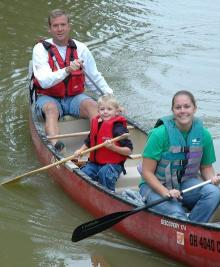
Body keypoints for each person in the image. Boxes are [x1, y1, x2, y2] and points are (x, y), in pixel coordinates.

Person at [32, 9, 113, 151]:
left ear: (69, 26)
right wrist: (67, 70)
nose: (60, 29)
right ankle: (56, 146)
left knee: (93, 105)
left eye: (63, 25)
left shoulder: (81, 49)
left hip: (74, 98)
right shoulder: (40, 50)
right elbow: (44, 81)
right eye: (55, 26)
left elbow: (94, 77)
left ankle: (99, 141)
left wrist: (110, 99)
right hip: (48, 98)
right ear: (50, 29)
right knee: (51, 110)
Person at [139, 90, 220, 223]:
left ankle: (194, 226)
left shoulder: (204, 135)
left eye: (187, 106)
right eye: (178, 107)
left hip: (185, 183)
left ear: (194, 108)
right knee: (176, 212)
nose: (183, 111)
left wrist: (213, 179)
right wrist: (165, 192)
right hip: (156, 186)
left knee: (214, 193)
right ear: (173, 110)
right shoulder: (159, 134)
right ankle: (183, 223)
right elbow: (147, 172)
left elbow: (206, 168)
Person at [74, 94, 133, 191]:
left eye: (109, 109)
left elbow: (129, 151)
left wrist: (113, 147)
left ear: (116, 112)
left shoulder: (118, 128)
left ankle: (109, 194)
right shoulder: (97, 123)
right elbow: (90, 140)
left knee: (105, 173)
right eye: (102, 109)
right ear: (98, 111)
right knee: (83, 173)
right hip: (95, 163)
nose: (105, 112)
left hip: (113, 165)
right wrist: (80, 150)